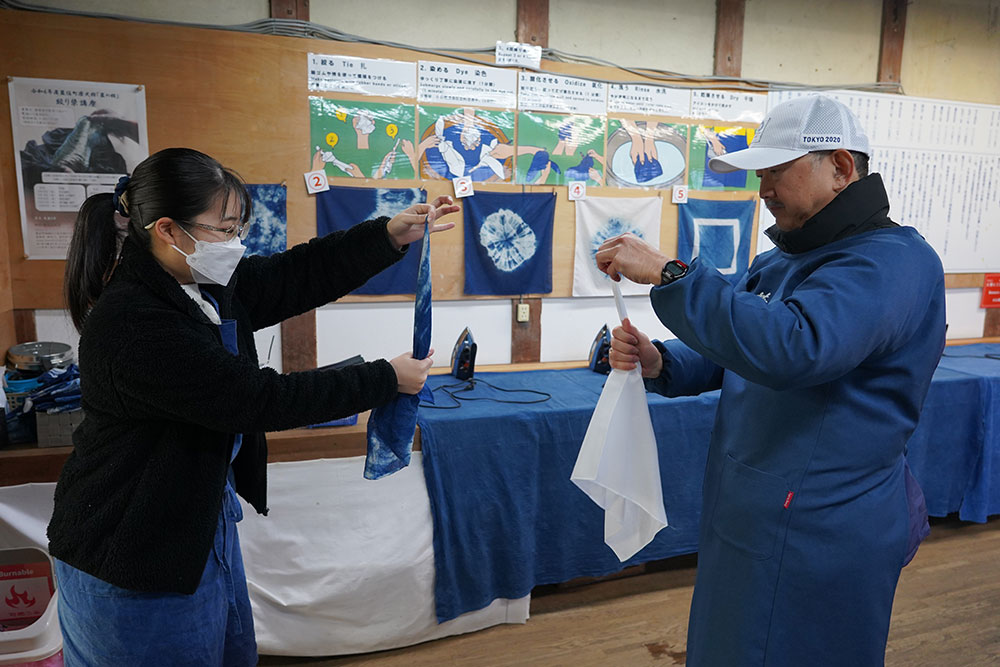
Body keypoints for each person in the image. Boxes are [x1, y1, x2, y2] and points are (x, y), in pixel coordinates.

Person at [47, 147, 458, 665]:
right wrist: (383, 378)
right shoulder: (135, 321)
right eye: (224, 230)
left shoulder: (196, 286)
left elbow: (292, 275)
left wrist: (387, 237)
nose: (235, 244)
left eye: (239, 227)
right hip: (129, 550)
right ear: (169, 230)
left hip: (195, 527)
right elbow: (254, 400)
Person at [595, 95, 945, 666]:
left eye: (777, 172)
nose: (764, 189)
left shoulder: (893, 263)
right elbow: (738, 346)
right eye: (760, 174)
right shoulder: (778, 262)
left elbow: (794, 346)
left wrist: (669, 273)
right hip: (747, 508)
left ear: (841, 168)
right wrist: (663, 361)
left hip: (823, 523)